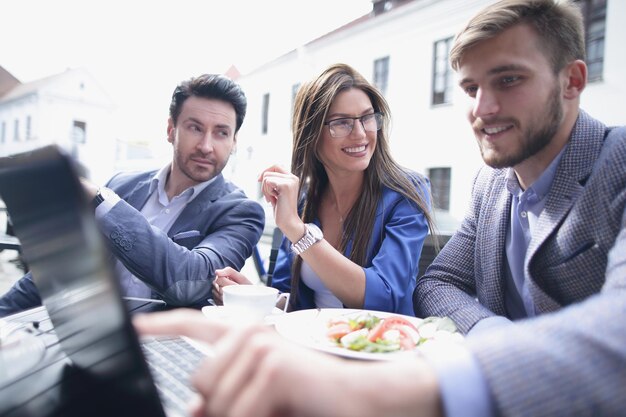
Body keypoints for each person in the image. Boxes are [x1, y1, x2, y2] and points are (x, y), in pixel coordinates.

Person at [134, 1, 626, 416]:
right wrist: (262, 299)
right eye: (472, 89)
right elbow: (439, 283)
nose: (482, 108)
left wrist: (484, 356)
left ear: (573, 81)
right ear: (313, 135)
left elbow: (394, 297)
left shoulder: (615, 161)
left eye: (509, 79)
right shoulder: (491, 185)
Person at [0, 74, 265, 316]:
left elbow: (189, 281)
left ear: (234, 141)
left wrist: (99, 201)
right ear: (171, 129)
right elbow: (61, 268)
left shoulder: (241, 212)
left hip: (169, 353)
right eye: (195, 128)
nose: (206, 146)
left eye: (221, 133)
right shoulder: (122, 185)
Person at [212, 63, 435, 315]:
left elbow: (385, 296)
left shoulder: (405, 193)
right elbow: (294, 302)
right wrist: (251, 297)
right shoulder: (302, 200)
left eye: (367, 117)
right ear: (312, 134)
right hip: (307, 345)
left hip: (375, 348)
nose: (361, 134)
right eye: (341, 123)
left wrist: (298, 232)